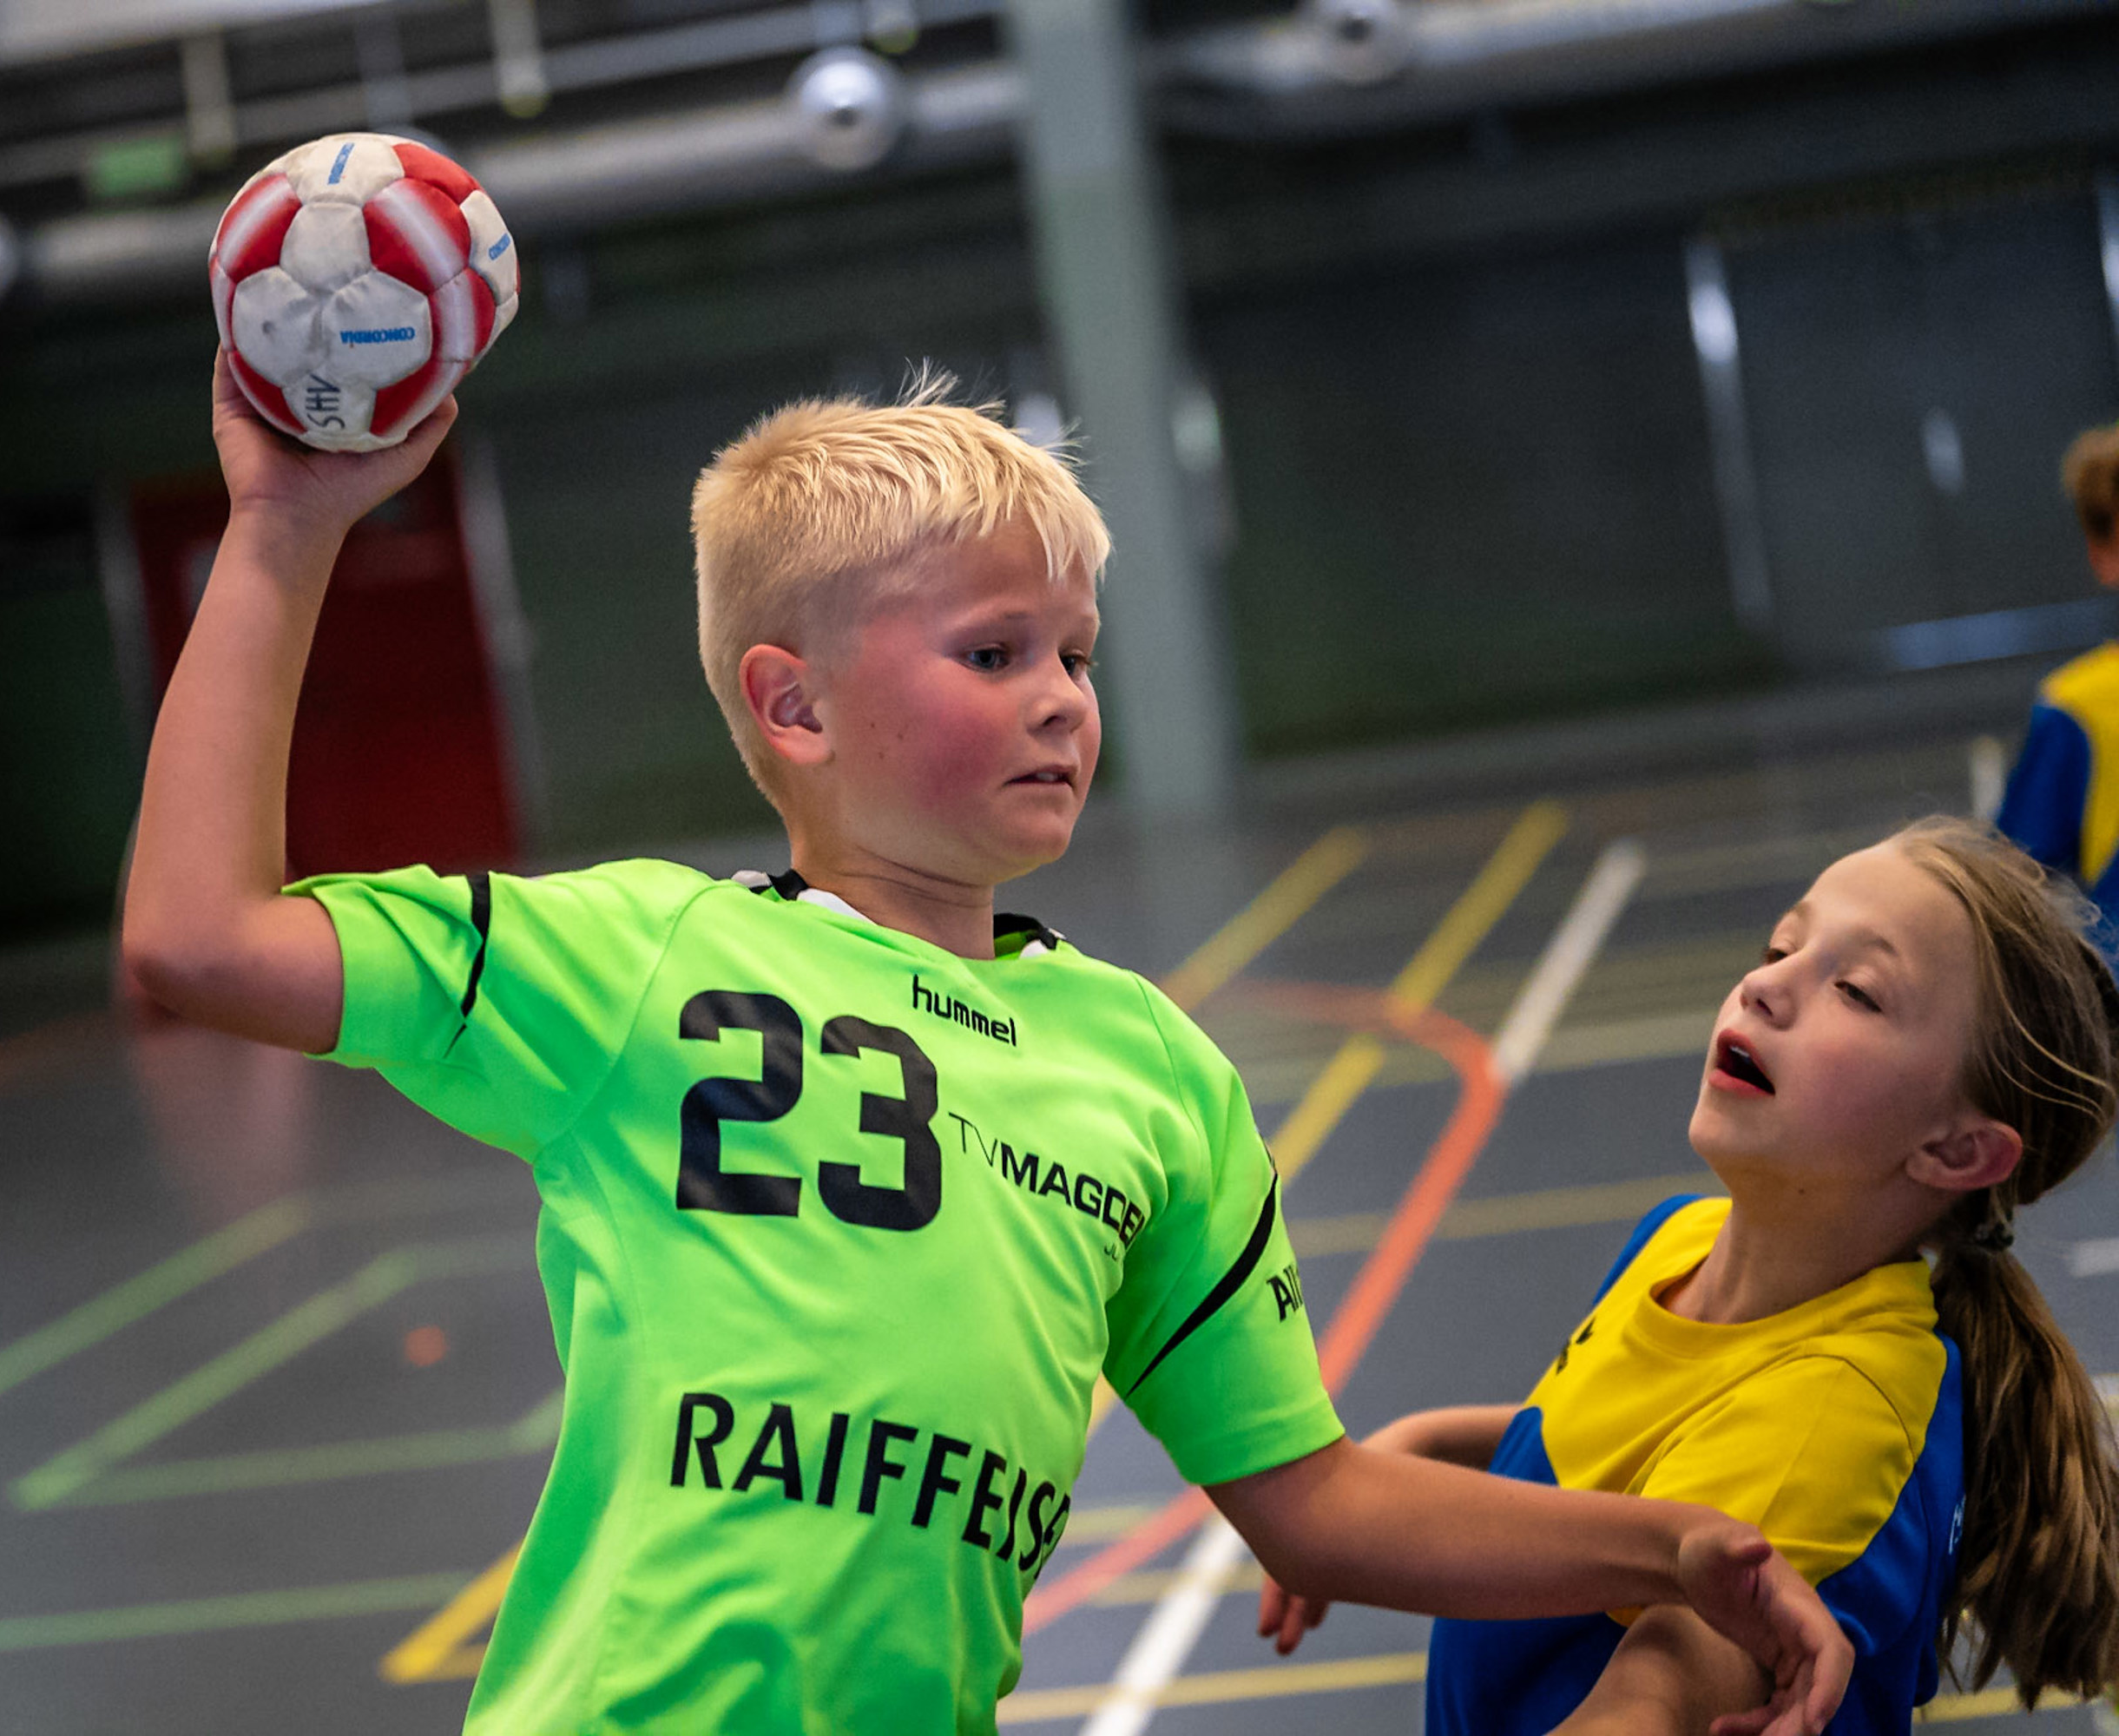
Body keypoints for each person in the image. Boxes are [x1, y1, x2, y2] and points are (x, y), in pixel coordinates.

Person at [123, 358, 1854, 1735]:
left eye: (1077, 655)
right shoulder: (640, 960)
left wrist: (1678, 1548)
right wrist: (282, 524)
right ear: (793, 704)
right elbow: (197, 939)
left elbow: (1316, 1503)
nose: (1062, 696)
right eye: (993, 650)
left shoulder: (1154, 1074)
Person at [1260, 817, 2119, 1733]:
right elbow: (1612, 1448)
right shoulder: (1681, 1238)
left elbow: (1657, 1694)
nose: (1768, 985)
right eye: (1782, 944)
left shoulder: (1834, 1410)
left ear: (1956, 1147)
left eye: (1858, 991)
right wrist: (1428, 1446)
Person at [1995, 422, 2119, 940]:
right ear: (2103, 554)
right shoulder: (2078, 710)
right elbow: (2013, 884)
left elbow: (2008, 889)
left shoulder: (2076, 703)